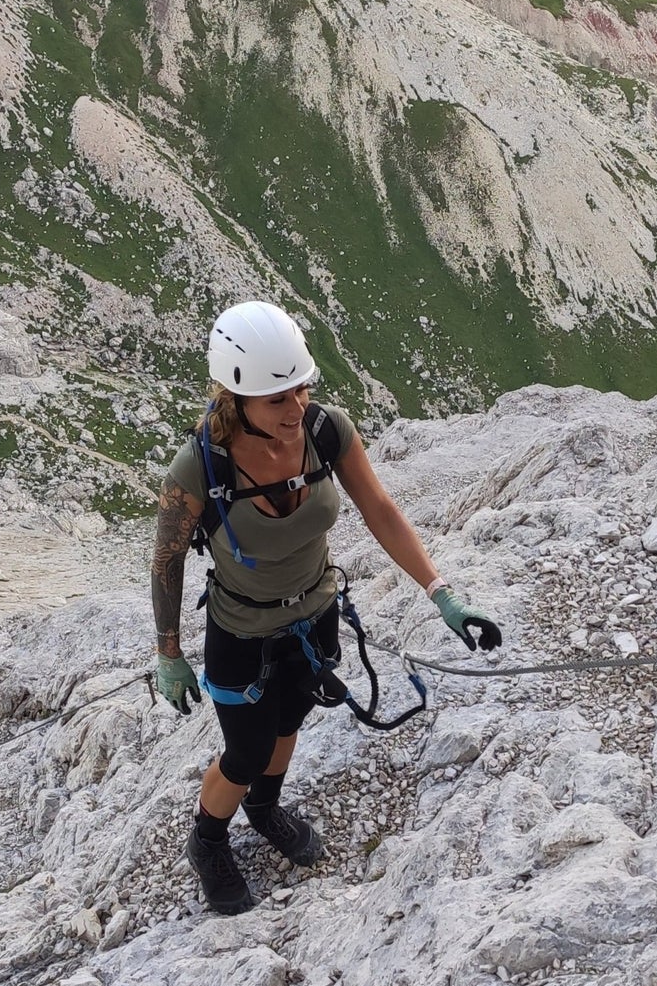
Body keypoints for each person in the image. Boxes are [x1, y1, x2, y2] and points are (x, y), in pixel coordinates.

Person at [151, 301, 502, 914]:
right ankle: (207, 842)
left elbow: (381, 510)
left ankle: (263, 808)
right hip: (241, 631)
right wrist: (169, 653)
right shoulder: (198, 468)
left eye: (301, 389)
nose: (296, 408)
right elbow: (166, 561)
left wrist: (441, 593)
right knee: (244, 750)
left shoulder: (325, 430)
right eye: (277, 399)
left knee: (292, 718)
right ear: (237, 399)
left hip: (314, 614)